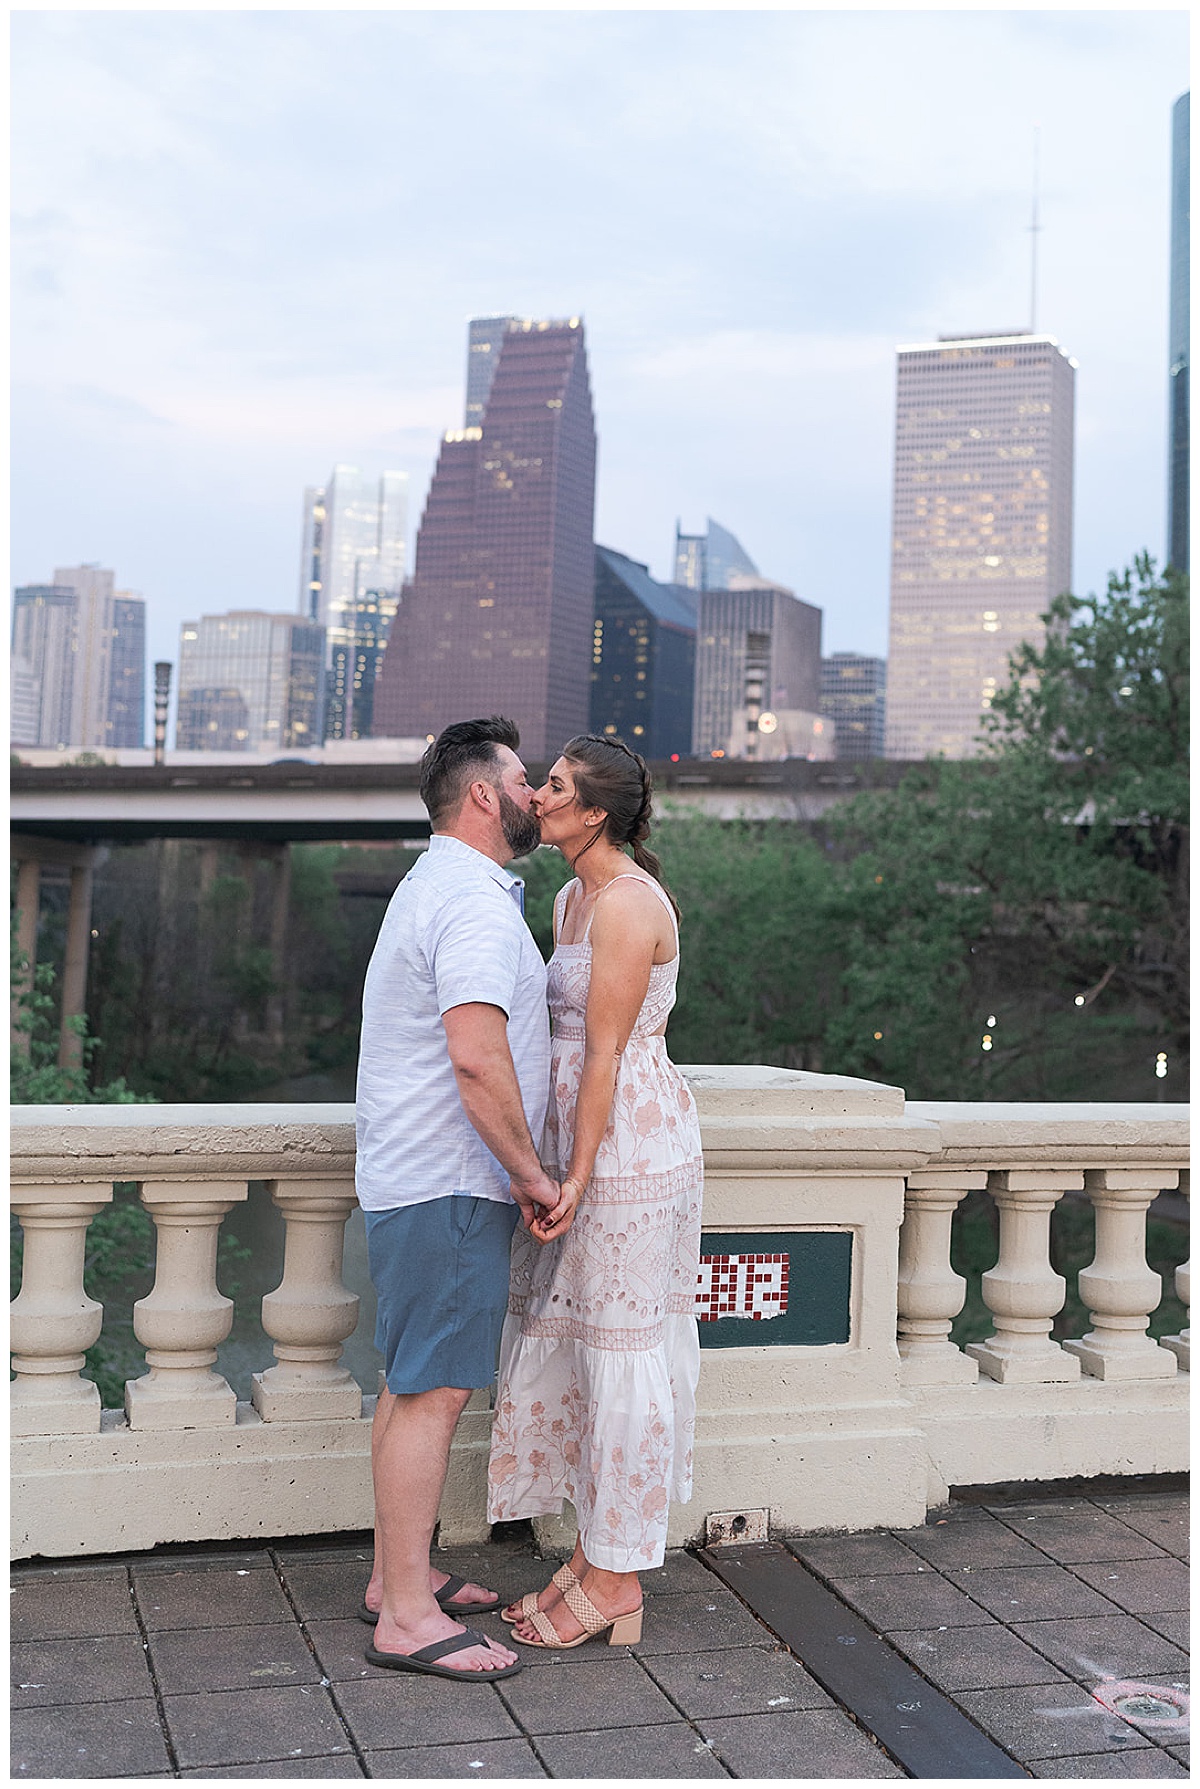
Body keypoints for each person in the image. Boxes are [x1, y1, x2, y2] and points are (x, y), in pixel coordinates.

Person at [354, 716, 571, 1682]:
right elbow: (477, 1057)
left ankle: (394, 1579)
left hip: (417, 1177)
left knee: (413, 1387)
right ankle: (405, 1617)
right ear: (484, 794)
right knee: (433, 1392)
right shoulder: (475, 904)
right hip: (447, 1179)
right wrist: (531, 1174)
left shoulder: (431, 883)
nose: (537, 795)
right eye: (525, 780)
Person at [486, 733, 703, 1650]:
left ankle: (617, 1580)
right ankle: (590, 1552)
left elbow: (606, 1053)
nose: (536, 794)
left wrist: (574, 1172)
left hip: (626, 1149)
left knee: (620, 1350)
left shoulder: (625, 906)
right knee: (576, 1345)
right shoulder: (573, 894)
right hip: (583, 1138)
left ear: (594, 813)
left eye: (557, 786)